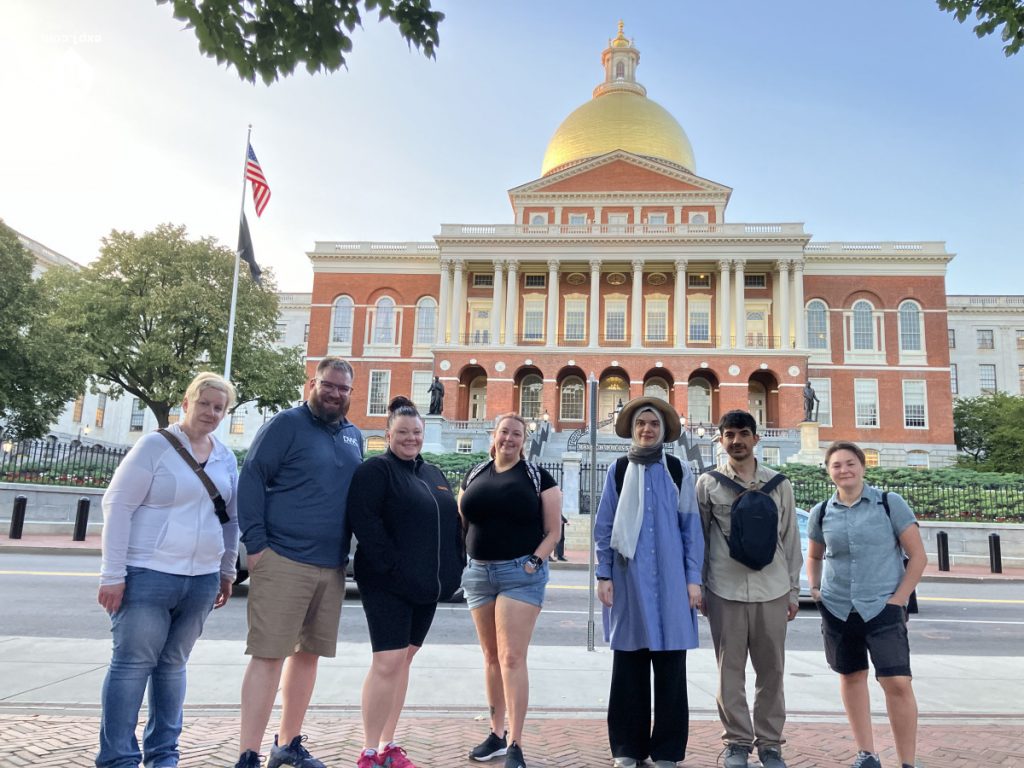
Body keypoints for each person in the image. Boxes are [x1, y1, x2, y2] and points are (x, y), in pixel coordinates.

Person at [96, 372, 239, 768]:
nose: (211, 412)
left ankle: (163, 755)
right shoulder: (154, 447)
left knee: (172, 667)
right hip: (148, 574)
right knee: (132, 665)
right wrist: (113, 575)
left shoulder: (225, 456)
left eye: (219, 407)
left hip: (201, 580)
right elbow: (117, 506)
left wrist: (226, 570)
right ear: (186, 402)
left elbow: (230, 519)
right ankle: (118, 758)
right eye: (205, 403)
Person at [233, 357, 363, 768]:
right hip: (284, 557)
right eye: (329, 385)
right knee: (269, 655)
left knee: (307, 656)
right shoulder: (286, 425)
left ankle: (287, 743)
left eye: (343, 389)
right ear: (313, 383)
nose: (335, 393)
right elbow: (251, 477)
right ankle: (248, 753)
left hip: (331, 564)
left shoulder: (353, 436)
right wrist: (256, 546)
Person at [347, 396, 465, 768]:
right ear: (388, 434)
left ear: (423, 433)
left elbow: (453, 527)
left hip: (426, 589)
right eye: (402, 432)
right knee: (387, 662)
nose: (410, 438)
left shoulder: (434, 475)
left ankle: (389, 744)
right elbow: (366, 526)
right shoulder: (375, 472)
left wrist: (454, 570)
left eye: (416, 432)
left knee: (404, 662)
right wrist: (392, 570)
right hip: (387, 585)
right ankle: (368, 750)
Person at [594, 397, 704, 768]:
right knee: (630, 665)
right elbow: (605, 525)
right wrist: (603, 573)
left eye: (653, 424)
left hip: (672, 583)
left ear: (662, 429)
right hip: (629, 580)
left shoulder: (676, 469)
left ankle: (668, 750)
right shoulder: (620, 469)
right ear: (632, 428)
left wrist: (693, 579)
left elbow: (691, 529)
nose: (646, 429)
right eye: (641, 423)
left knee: (672, 670)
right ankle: (627, 747)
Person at [806, 441, 926, 768]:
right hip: (838, 606)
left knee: (897, 682)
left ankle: (907, 761)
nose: (844, 470)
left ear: (862, 466)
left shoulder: (890, 503)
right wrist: (816, 589)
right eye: (836, 465)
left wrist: (898, 599)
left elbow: (917, 556)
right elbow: (815, 554)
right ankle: (867, 753)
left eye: (850, 463)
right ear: (828, 471)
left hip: (882, 605)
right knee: (851, 675)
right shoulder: (821, 511)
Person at [695, 410, 802, 768]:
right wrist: (698, 585)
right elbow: (700, 540)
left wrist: (792, 590)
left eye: (743, 433)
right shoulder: (707, 483)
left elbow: (790, 538)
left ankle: (771, 743)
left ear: (757, 438)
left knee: (771, 670)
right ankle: (737, 742)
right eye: (729, 435)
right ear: (720, 440)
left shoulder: (779, 484)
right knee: (730, 671)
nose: (736, 440)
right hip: (724, 588)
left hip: (771, 589)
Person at [459, 413, 563, 768]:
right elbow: (464, 518)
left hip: (520, 574)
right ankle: (496, 733)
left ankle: (516, 742)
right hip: (478, 573)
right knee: (489, 657)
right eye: (504, 432)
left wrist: (534, 561)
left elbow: (553, 531)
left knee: (511, 658)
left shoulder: (538, 477)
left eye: (516, 434)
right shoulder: (474, 473)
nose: (509, 439)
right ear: (494, 434)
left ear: (524, 440)